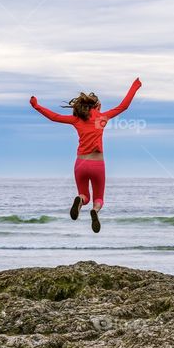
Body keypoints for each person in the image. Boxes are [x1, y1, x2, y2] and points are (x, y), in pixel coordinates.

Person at [30, 78, 142, 233]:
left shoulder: (76, 119)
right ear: (97, 106)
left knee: (84, 195)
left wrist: (36, 105)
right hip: (98, 165)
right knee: (98, 199)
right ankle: (95, 211)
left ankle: (80, 201)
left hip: (81, 164)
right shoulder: (102, 118)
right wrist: (135, 86)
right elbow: (124, 106)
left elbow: (54, 117)